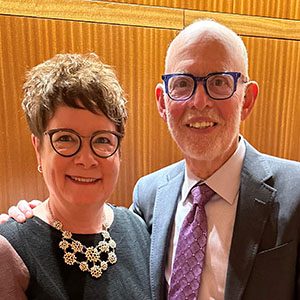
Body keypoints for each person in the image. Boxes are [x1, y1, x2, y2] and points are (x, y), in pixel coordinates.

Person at [3, 19, 300, 300]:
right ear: (163, 101)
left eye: (220, 82)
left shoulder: (295, 192)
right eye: (183, 83)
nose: (199, 101)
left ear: (246, 99)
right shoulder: (149, 196)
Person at [0, 53, 152, 299]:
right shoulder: (10, 249)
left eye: (102, 140)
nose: (86, 159)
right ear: (38, 149)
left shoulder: (138, 228)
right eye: (66, 138)